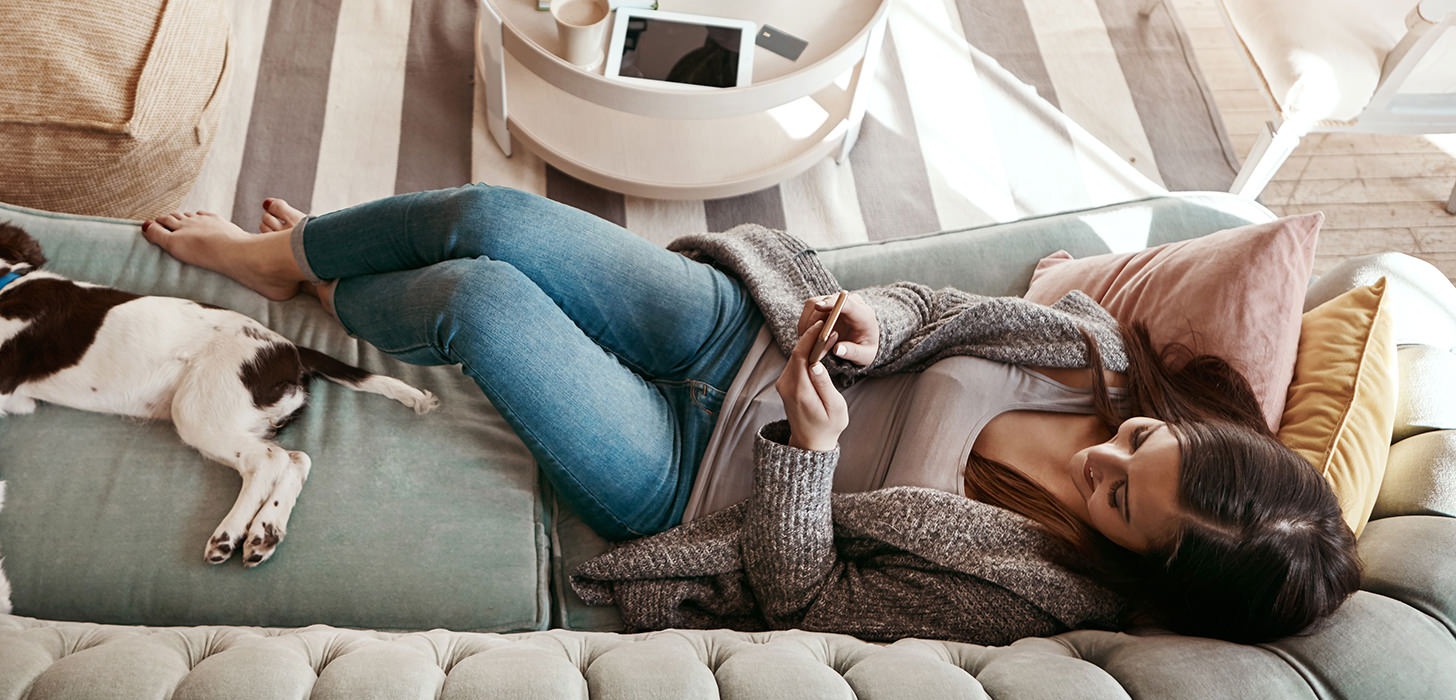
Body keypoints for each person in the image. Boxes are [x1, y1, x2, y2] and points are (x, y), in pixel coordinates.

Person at [140, 184, 1360, 645]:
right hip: (740, 333)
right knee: (494, 219)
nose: (1106, 454)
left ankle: (335, 288)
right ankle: (288, 258)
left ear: (1136, 565)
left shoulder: (1032, 590)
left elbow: (810, 597)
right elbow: (940, 310)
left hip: (689, 477)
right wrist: (881, 318)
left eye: (1116, 499)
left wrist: (811, 454)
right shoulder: (1095, 353)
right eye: (1145, 444)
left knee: (478, 298)